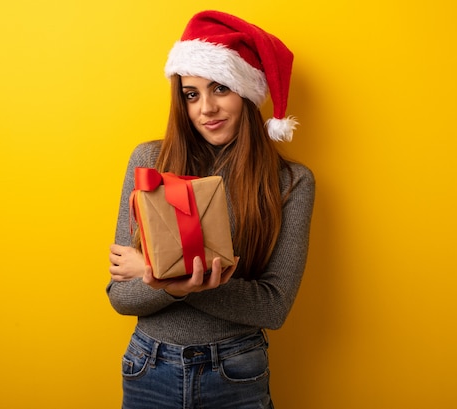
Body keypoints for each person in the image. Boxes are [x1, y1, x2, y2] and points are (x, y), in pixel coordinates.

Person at [106, 10, 315, 409]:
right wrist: (180, 281)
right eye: (192, 94)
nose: (206, 108)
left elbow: (272, 306)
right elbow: (122, 296)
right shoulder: (148, 161)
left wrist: (162, 278)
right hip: (148, 368)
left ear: (247, 93)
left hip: (237, 371)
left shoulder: (291, 183)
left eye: (221, 88)